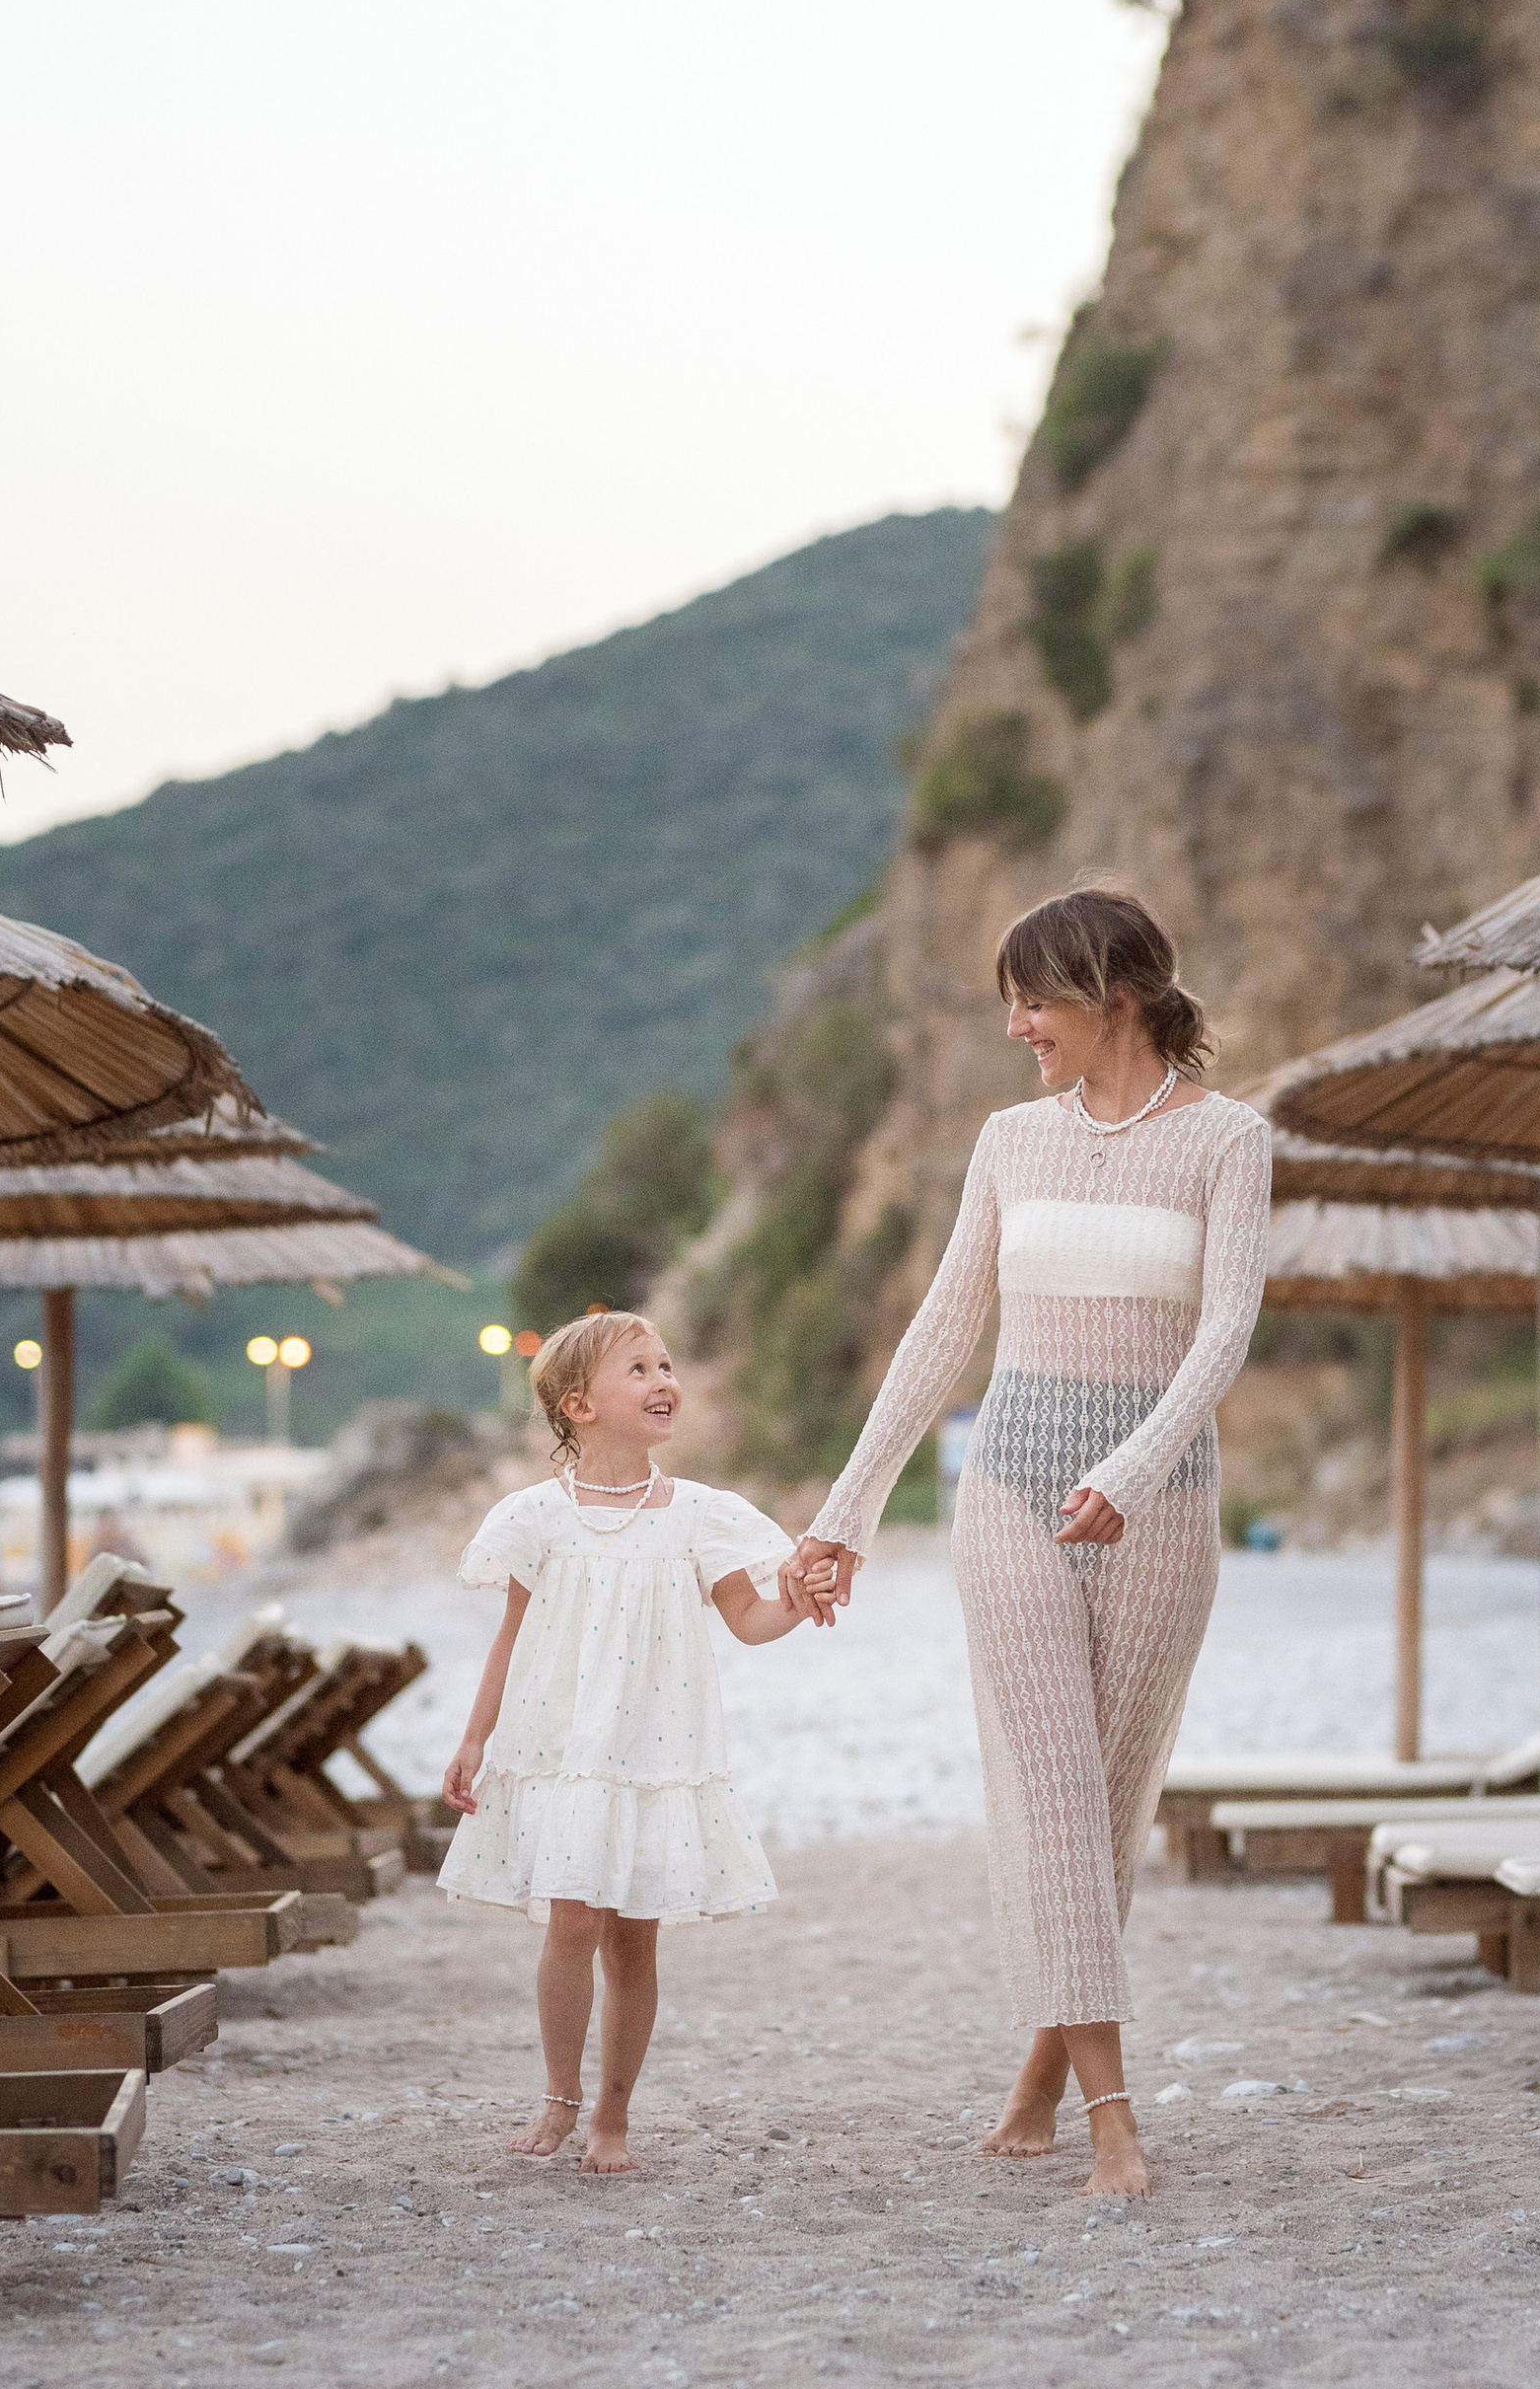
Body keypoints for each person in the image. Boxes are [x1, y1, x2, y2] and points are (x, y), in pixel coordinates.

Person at [786, 885, 1270, 2201]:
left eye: (1035, 1001)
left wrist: (1131, 1470)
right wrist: (844, 1514)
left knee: (1103, 1809)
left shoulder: (1229, 1140)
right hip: (1008, 1490)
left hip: (1160, 1505)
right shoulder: (1009, 1141)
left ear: (1118, 995)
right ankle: (1115, 2118)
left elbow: (1225, 1330)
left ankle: (1041, 2081)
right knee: (1053, 1788)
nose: (1016, 1028)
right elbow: (944, 1329)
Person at [439, 1307, 828, 2174]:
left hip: (654, 1752)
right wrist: (474, 1740)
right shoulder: (537, 1516)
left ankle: (613, 2114)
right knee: (571, 1920)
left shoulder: (701, 1515)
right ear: (579, 1406)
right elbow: (511, 1636)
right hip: (565, 1750)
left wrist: (798, 1602)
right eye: (640, 1370)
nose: (664, 1382)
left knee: (633, 1941)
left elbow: (750, 1620)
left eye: (666, 1366)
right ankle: (559, 2095)